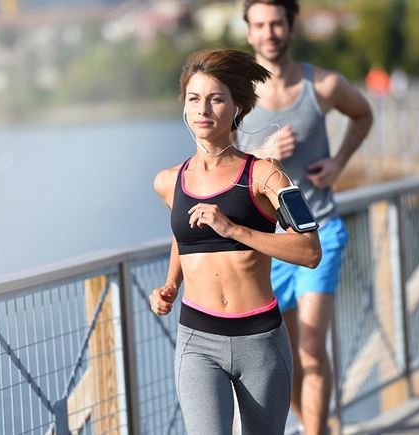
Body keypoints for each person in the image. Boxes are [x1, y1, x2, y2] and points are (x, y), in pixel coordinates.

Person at [149, 48, 322, 435]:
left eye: (215, 98)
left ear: (237, 106)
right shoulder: (168, 181)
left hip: (261, 342)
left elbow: (310, 251)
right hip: (197, 340)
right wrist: (170, 284)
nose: (203, 109)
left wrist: (235, 230)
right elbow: (182, 237)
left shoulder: (265, 175)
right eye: (194, 99)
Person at [238, 1, 374, 434]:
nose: (269, 32)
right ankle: (316, 424)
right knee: (284, 357)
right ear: (248, 33)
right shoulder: (236, 94)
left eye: (276, 23)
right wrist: (262, 156)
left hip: (322, 231)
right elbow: (218, 162)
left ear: (291, 27)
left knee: (313, 348)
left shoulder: (324, 85)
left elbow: (363, 113)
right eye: (259, 25)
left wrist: (338, 163)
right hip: (268, 244)